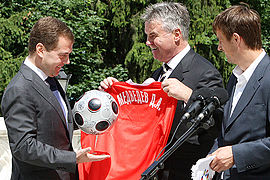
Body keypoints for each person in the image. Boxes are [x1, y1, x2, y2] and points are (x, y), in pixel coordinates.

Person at [99, 2, 223, 179]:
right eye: (146, 36)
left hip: (184, 173)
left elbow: (218, 124)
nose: (147, 42)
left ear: (176, 34)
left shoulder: (206, 72)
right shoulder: (157, 74)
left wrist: (188, 95)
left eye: (153, 36)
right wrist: (115, 94)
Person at [1, 16, 110, 180]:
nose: (67, 61)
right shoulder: (20, 88)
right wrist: (71, 159)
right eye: (63, 55)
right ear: (40, 50)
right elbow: (23, 147)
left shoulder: (50, 79)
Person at [208, 4, 270, 179]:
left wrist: (237, 155)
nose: (219, 48)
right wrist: (211, 157)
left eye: (221, 40)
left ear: (236, 39)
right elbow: (227, 133)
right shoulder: (235, 77)